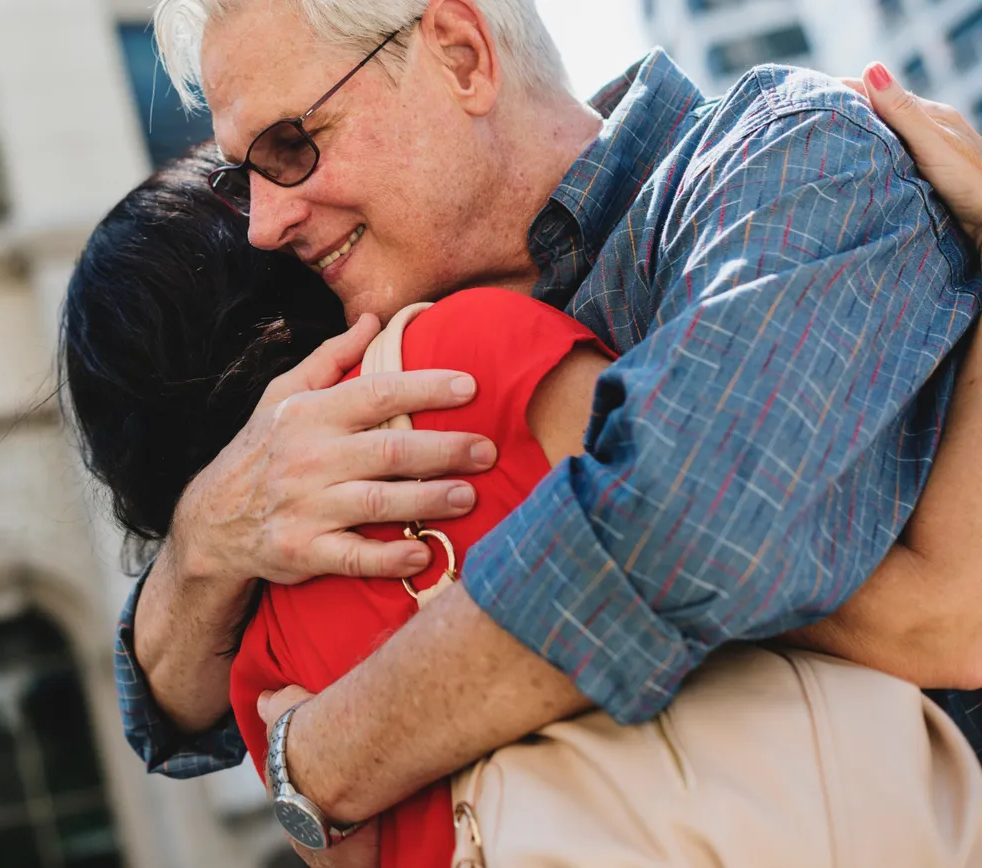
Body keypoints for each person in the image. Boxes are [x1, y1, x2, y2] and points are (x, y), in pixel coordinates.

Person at [122, 0, 982, 852]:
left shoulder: (783, 156)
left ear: (462, 56)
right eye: (246, 179)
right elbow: (171, 717)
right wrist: (207, 540)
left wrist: (321, 761)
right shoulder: (389, 352)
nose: (266, 225)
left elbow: (688, 526)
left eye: (291, 147)